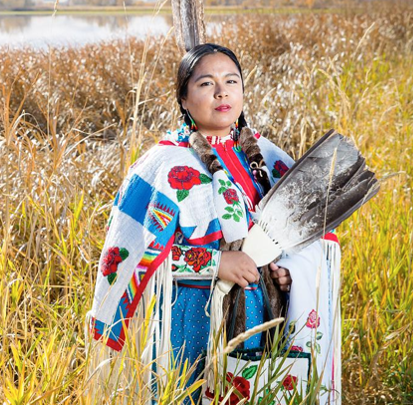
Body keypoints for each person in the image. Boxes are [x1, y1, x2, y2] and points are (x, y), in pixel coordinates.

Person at [87, 43, 341, 404]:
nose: (222, 91)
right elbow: (134, 255)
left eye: (231, 81)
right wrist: (217, 262)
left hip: (269, 316)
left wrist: (291, 270)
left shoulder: (269, 158)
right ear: (184, 99)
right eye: (206, 84)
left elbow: (314, 236)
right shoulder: (164, 166)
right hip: (194, 321)